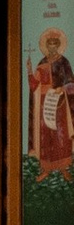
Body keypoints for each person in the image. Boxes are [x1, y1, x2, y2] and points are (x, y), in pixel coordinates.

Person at [29, 27, 74, 186]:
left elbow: (71, 83)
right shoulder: (42, 63)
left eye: (55, 45)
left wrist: (63, 88)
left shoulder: (64, 62)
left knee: (60, 134)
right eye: (50, 45)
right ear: (47, 47)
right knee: (46, 135)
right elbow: (34, 85)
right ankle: (47, 168)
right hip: (44, 104)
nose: (52, 48)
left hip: (59, 103)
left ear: (58, 46)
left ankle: (63, 168)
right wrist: (29, 71)